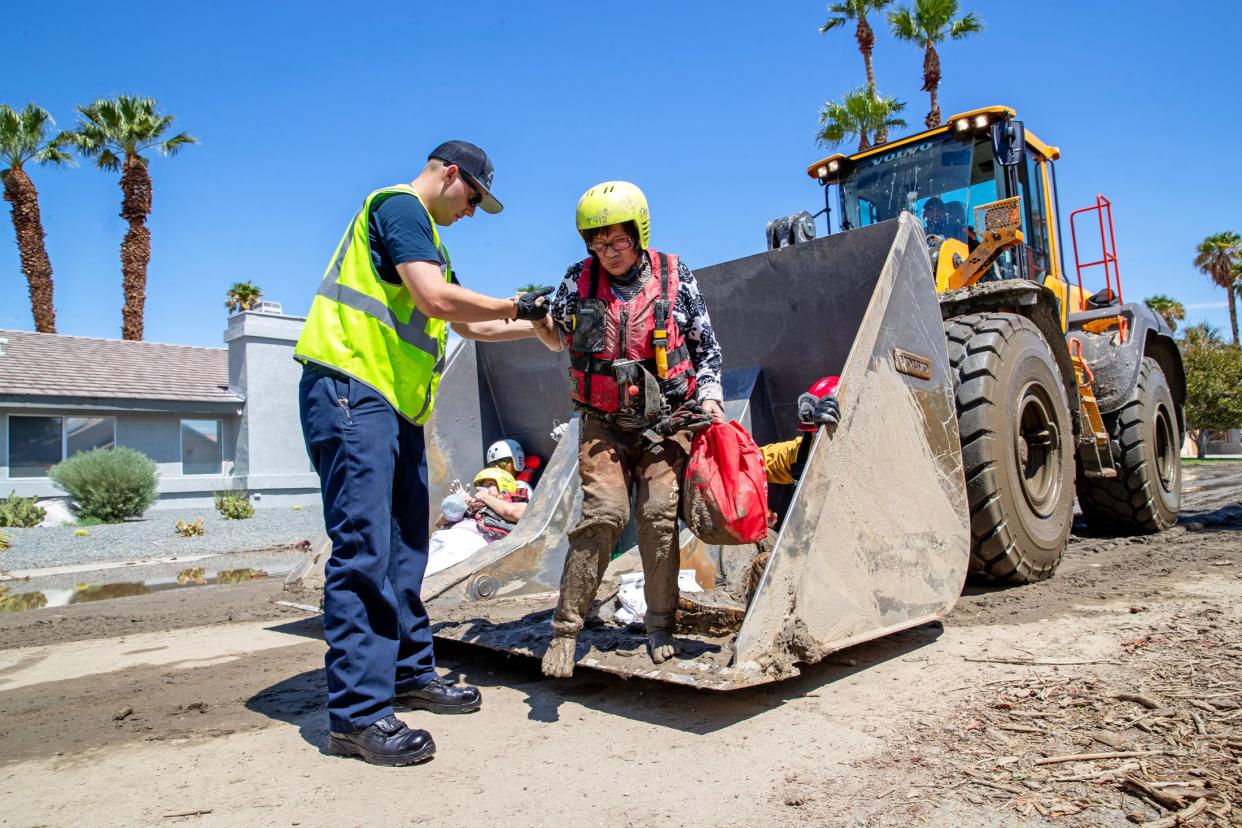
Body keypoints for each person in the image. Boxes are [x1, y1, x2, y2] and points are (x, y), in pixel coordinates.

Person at [294, 140, 559, 767]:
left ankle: (410, 672)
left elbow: (472, 325)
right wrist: (521, 303)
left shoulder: (431, 243)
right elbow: (438, 301)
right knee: (364, 553)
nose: (470, 213)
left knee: (408, 547)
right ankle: (357, 717)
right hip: (352, 391)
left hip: (392, 407)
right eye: (473, 199)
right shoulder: (399, 207)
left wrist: (544, 325)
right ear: (450, 175)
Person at [535, 180, 725, 678]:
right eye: (596, 245)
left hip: (666, 422)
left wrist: (710, 397)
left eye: (616, 242)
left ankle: (661, 625)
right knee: (604, 514)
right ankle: (566, 628)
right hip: (604, 423)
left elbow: (707, 351)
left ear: (638, 234)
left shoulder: (677, 276)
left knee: (659, 518)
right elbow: (556, 338)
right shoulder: (577, 279)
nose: (607, 253)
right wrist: (537, 320)